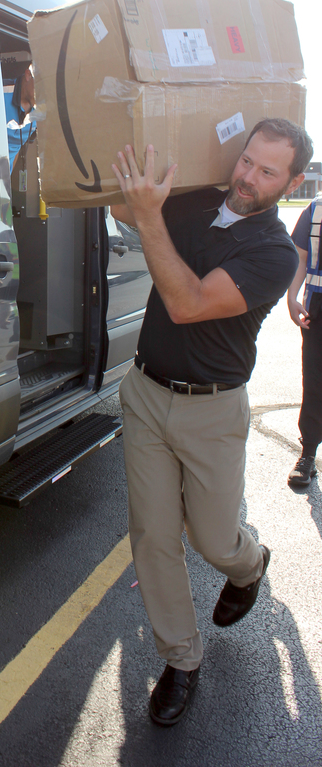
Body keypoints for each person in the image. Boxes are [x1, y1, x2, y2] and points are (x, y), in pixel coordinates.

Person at [110, 117, 312, 727]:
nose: (248, 178)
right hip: (145, 391)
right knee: (152, 535)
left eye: (267, 171)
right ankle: (181, 659)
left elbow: (187, 302)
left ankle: (249, 565)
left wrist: (147, 218)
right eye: (247, 160)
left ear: (293, 181)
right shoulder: (195, 201)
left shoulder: (273, 254)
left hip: (213, 410)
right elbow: (129, 214)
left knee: (212, 537)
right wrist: (130, 197)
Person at [286, 193, 322, 487]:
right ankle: (308, 454)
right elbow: (300, 254)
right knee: (315, 381)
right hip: (318, 308)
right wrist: (292, 295)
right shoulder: (317, 207)